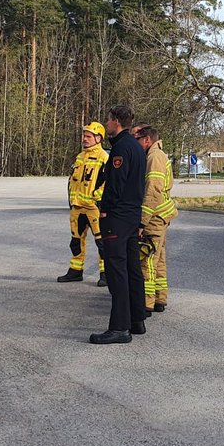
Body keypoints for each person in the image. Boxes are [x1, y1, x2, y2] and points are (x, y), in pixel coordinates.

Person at [89, 105, 147, 344]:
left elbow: (116, 185)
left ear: (116, 122)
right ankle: (136, 320)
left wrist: (104, 210)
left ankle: (119, 327)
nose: (106, 123)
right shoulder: (136, 146)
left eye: (108, 120)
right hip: (132, 216)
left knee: (117, 273)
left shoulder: (121, 148)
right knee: (133, 269)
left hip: (118, 218)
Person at [58, 122, 108, 285]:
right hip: (77, 208)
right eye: (84, 136)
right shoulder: (80, 157)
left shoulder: (104, 158)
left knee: (102, 242)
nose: (84, 139)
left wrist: (98, 199)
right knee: (76, 241)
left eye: (88, 136)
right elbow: (73, 182)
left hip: (94, 208)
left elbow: (107, 183)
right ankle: (75, 271)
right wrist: (72, 202)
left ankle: (105, 273)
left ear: (98, 138)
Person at [136, 125, 177, 314]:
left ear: (147, 140)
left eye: (137, 139)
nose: (135, 143)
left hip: (154, 216)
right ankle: (160, 298)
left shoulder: (153, 157)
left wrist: (142, 221)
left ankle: (147, 302)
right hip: (161, 214)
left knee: (147, 259)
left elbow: (152, 190)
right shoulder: (158, 155)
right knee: (158, 259)